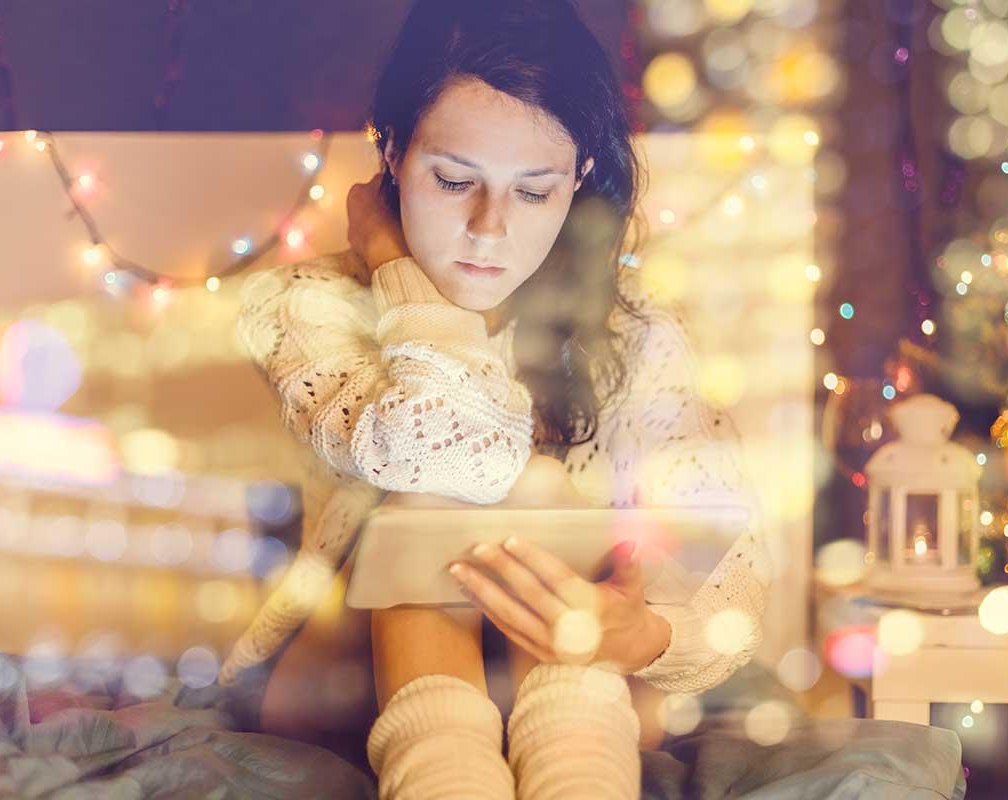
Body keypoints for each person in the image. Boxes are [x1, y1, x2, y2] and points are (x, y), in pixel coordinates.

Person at [224, 0, 773, 797]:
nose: (488, 229)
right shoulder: (306, 303)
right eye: (454, 181)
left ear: (579, 177)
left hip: (569, 674)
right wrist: (395, 271)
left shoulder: (638, 326)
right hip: (351, 673)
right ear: (391, 150)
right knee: (466, 496)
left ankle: (574, 761)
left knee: (554, 514)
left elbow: (732, 566)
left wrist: (645, 630)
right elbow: (445, 449)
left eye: (534, 193)